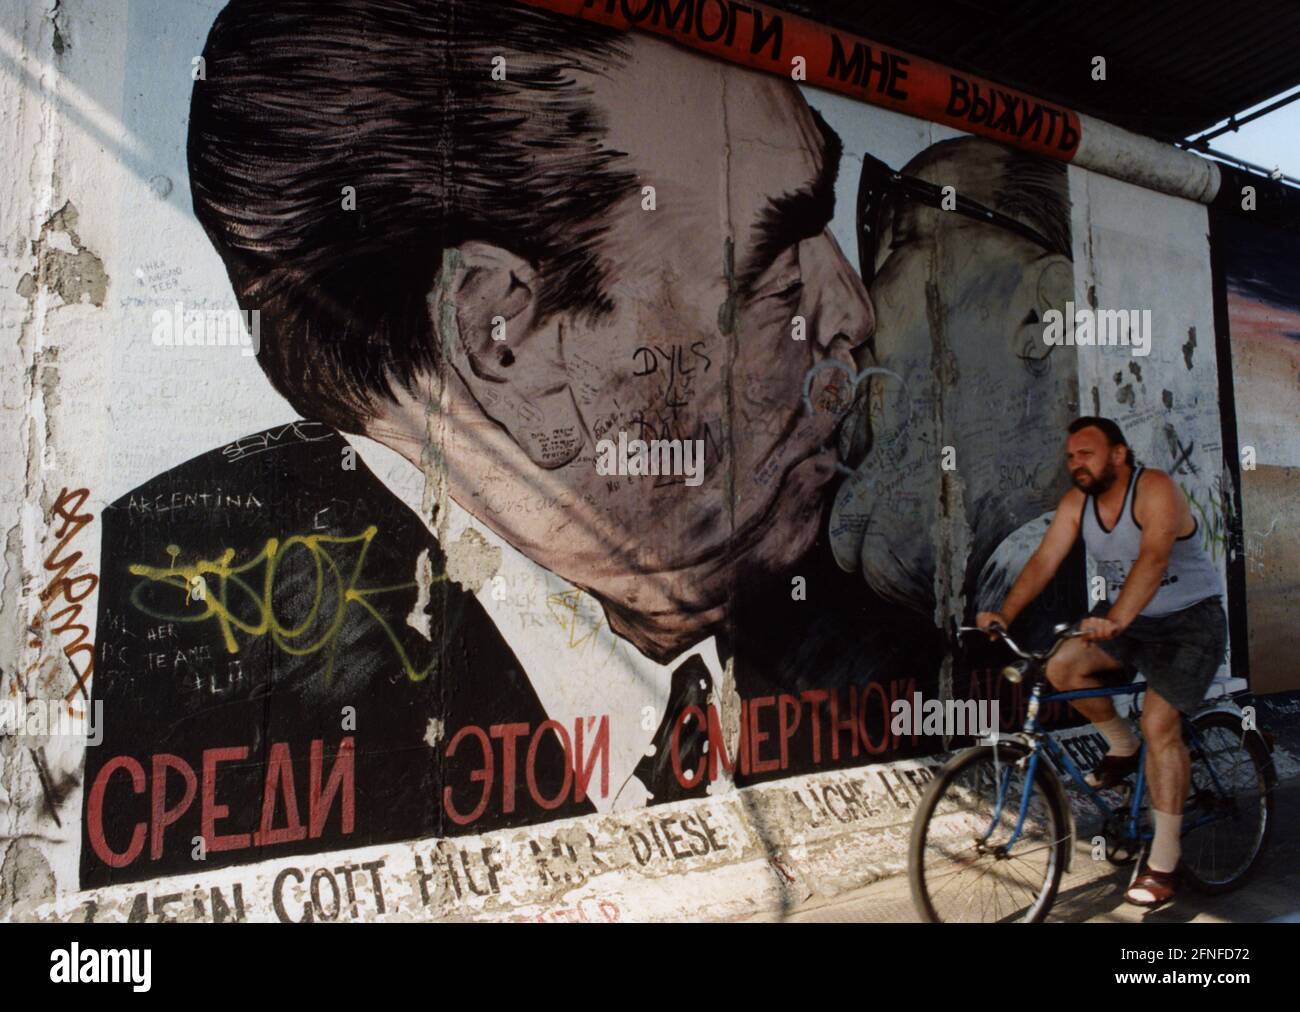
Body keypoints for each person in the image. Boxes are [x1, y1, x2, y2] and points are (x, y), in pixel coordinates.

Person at [82, 0, 875, 885]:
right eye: (774, 269)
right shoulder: (179, 667)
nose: (852, 313)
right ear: (504, 339)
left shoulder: (846, 622)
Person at [976, 416, 1227, 907]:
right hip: (1128, 619)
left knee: (1160, 723)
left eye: (1086, 453)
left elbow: (1153, 560)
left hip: (1189, 622)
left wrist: (1115, 618)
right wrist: (1003, 614)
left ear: (1118, 454)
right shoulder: (1077, 504)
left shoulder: (1154, 489)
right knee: (1061, 667)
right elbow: (1044, 561)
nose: (1076, 464)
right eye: (1071, 456)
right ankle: (1121, 746)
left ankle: (1164, 863)